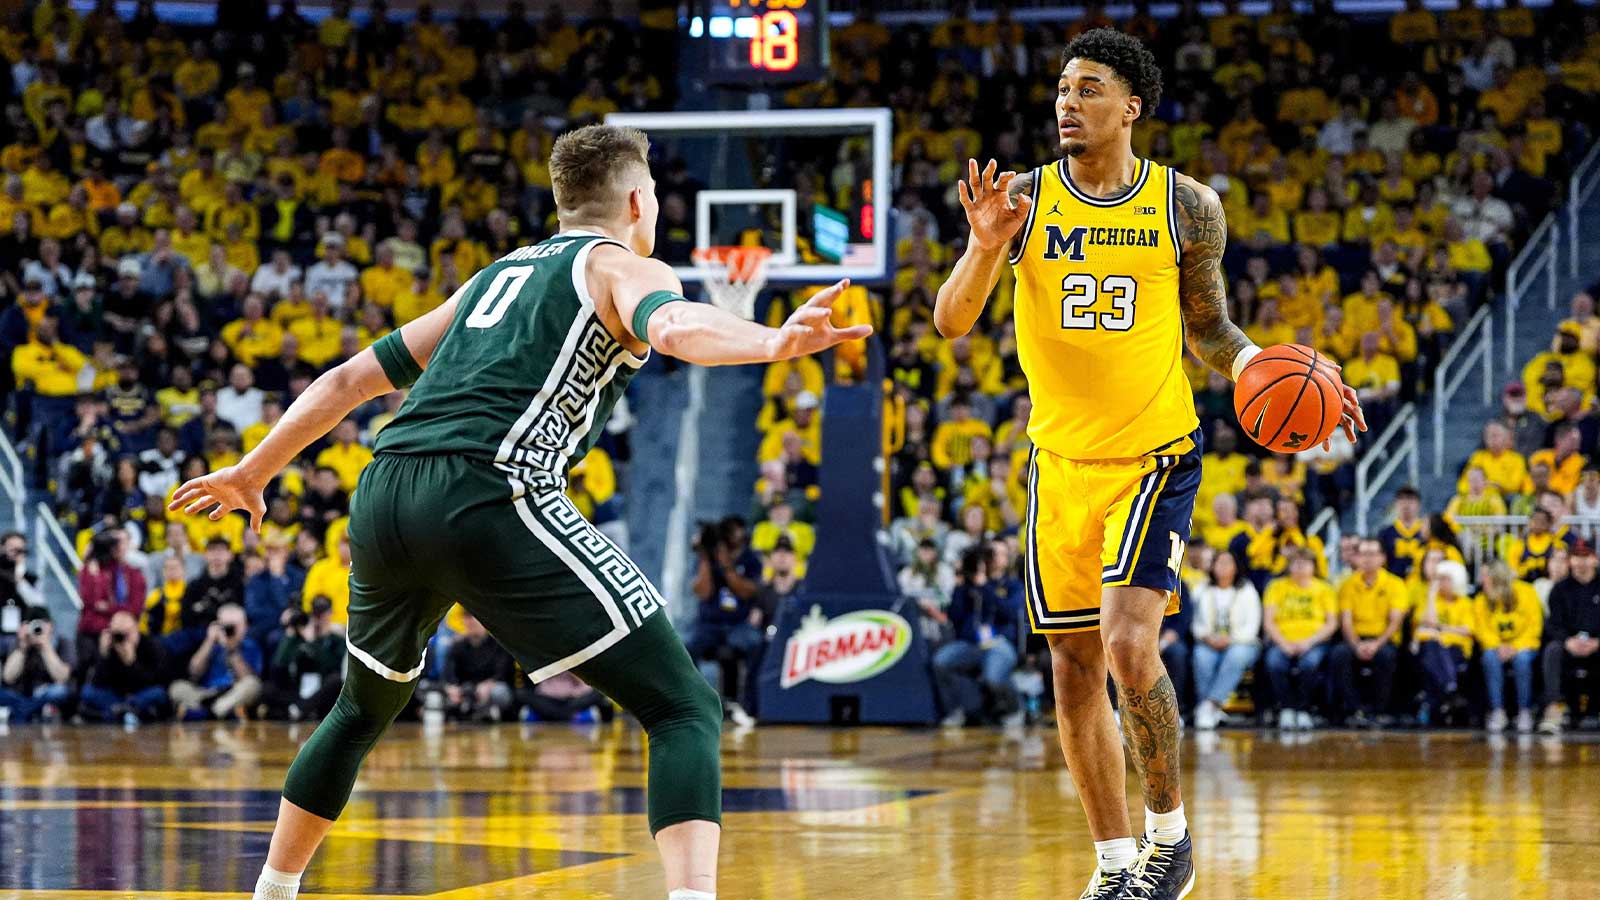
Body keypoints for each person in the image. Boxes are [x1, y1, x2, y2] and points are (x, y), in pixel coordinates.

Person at [168, 123, 869, 900]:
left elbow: (347, 381)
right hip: (488, 490)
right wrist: (772, 341)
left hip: (386, 491)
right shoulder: (618, 266)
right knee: (683, 707)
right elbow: (673, 327)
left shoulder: (490, 279)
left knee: (360, 709)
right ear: (640, 201)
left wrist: (252, 470)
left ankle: (272, 892)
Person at [931, 26, 1363, 899]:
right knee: (1074, 670)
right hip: (1057, 466)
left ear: (1131, 106)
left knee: (1130, 647)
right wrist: (983, 245)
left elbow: (1208, 326)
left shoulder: (1187, 206)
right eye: (1060, 88)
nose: (1066, 102)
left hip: (1155, 455)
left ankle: (1170, 841)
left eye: (1087, 88)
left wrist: (1264, 367)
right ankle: (1115, 863)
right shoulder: (1020, 200)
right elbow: (951, 320)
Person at [933, 546, 1022, 727]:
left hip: (999, 643)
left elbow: (1010, 614)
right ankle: (956, 710)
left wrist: (985, 587)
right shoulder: (966, 587)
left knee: (993, 677)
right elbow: (954, 618)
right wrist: (959, 587)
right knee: (941, 662)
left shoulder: (1011, 585)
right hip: (972, 645)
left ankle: (1015, 708)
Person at [1328, 540, 1408, 727]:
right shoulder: (1348, 585)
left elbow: (1395, 622)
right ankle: (1355, 710)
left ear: (1382, 558)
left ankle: (1380, 711)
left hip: (1384, 638)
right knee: (1339, 654)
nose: (1367, 559)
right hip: (1356, 637)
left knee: (1386, 656)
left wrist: (1376, 644)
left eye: (1372, 554)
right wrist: (1357, 645)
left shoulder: (1395, 584)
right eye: (1363, 554)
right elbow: (1346, 621)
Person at [1261, 549, 1339, 731]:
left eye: (1305, 563)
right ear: (1289, 566)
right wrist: (1283, 643)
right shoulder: (1276, 586)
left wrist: (1309, 642)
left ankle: (1304, 709)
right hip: (1282, 641)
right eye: (1296, 563)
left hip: (1314, 642)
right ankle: (1287, 708)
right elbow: (1269, 622)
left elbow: (1332, 624)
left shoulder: (1325, 589)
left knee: (1309, 664)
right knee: (1274, 663)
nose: (1300, 568)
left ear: (1314, 566)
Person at [1189, 551, 1260, 731]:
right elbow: (1194, 622)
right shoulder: (1202, 589)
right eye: (1219, 563)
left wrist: (1231, 639)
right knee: (1202, 657)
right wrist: (1206, 637)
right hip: (1208, 641)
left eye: (1228, 563)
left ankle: (1209, 705)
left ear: (1236, 567)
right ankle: (1209, 710)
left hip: (1242, 642)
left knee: (1235, 656)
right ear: (1212, 566)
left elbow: (1252, 626)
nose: (1223, 567)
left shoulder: (1247, 590)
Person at [1473, 560, 1543, 734]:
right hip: (1497, 647)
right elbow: (1481, 630)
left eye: (1485, 576)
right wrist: (1499, 646)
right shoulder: (1481, 600)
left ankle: (1524, 711)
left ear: (1498, 579)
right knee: (1489, 658)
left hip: (1525, 645)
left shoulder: (1527, 592)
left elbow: (1535, 627)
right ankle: (1498, 711)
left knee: (1522, 660)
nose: (1482, 580)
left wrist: (1516, 646)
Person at [1539, 539, 1600, 735]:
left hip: (1597, 643)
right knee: (1552, 650)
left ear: (1595, 559)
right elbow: (1553, 624)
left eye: (1586, 556)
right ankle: (1554, 710)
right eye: (1576, 557)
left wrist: (1597, 642)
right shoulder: (1559, 589)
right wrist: (1568, 640)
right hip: (1569, 644)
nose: (1581, 562)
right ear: (1570, 561)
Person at [169, 602, 264, 720]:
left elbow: (248, 678)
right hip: (207, 694)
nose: (229, 631)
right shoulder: (212, 644)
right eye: (226, 626)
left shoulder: (251, 646)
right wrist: (209, 642)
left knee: (253, 685)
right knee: (177, 687)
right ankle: (216, 711)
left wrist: (232, 650)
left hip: (232, 693)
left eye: (233, 627)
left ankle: (209, 712)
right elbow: (194, 672)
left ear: (245, 627)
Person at [1412, 559, 1475, 726]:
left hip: (1457, 648)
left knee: (1433, 656)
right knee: (1432, 649)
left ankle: (1440, 701)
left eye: (1444, 578)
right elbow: (1427, 621)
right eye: (1438, 578)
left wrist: (1440, 629)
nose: (1440, 582)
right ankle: (1450, 688)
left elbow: (1468, 630)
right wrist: (1432, 596)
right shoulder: (1430, 600)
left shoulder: (1465, 603)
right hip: (1433, 648)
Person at [80, 609, 169, 722]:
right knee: (87, 691)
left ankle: (119, 712)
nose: (121, 638)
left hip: (140, 695)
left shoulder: (151, 645)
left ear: (136, 629)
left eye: (125, 633)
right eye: (117, 634)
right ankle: (125, 711)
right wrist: (103, 655)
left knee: (158, 693)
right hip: (115, 697)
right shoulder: (110, 647)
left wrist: (131, 662)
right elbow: (98, 683)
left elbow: (157, 681)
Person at [0, 608, 74, 723]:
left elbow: (62, 677)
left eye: (41, 624)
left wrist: (45, 646)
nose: (37, 628)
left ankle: (26, 710)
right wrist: (22, 648)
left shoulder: (63, 642)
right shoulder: (19, 642)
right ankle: (31, 709)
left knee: (60, 691)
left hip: (46, 695)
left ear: (51, 625)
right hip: (20, 695)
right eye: (32, 624)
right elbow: (8, 677)